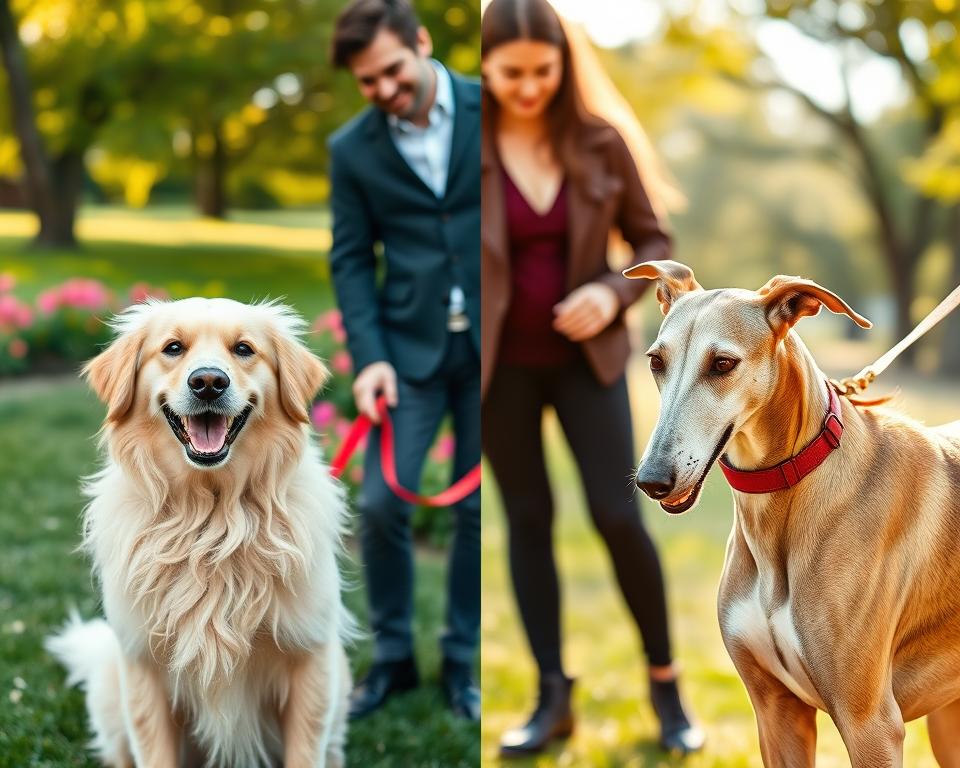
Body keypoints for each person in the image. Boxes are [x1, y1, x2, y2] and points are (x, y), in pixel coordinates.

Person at [480, 0, 704, 756]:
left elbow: (655, 239)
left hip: (590, 364)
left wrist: (612, 290)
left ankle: (667, 688)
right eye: (510, 73)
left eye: (543, 71)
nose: (529, 86)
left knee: (618, 512)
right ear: (482, 68)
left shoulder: (601, 143)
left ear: (564, 63)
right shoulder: (462, 148)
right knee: (527, 520)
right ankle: (552, 696)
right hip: (498, 370)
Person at [327, 0, 480, 722]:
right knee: (382, 504)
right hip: (406, 353)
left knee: (478, 507)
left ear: (422, 43)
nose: (385, 89)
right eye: (368, 81)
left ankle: (463, 662)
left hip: (493, 348)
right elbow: (353, 261)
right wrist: (369, 360)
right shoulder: (350, 150)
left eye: (392, 70)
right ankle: (392, 659)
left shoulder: (496, 109)